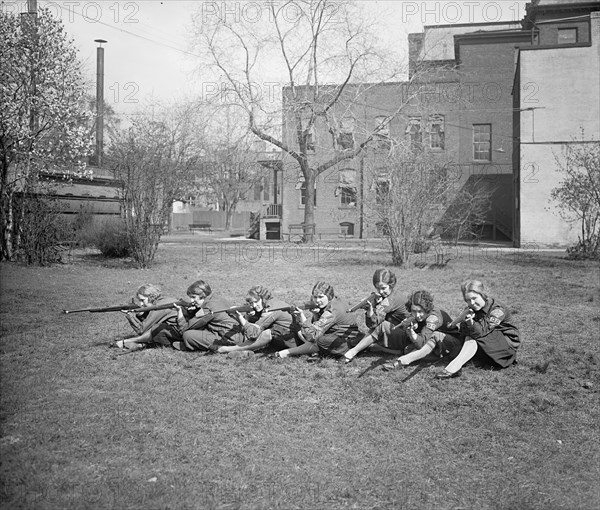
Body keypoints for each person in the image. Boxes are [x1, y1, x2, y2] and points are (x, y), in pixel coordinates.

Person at [117, 280, 242, 352]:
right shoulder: (216, 299)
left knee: (188, 335)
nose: (192, 300)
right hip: (236, 333)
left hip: (227, 337)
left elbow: (185, 329)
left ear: (203, 296)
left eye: (194, 297)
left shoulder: (207, 308)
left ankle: (213, 347)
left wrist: (180, 313)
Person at [435, 280, 521, 379]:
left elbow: (481, 332)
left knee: (473, 335)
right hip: (488, 343)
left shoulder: (497, 310)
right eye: (467, 300)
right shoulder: (473, 308)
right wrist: (464, 321)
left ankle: (455, 366)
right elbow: (463, 331)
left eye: (474, 298)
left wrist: (471, 323)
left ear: (483, 294)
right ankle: (458, 362)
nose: (472, 303)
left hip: (506, 347)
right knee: (465, 339)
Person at [273, 281, 361, 359]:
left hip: (346, 343)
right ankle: (289, 352)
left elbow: (311, 336)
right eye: (315, 297)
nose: (317, 300)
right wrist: (315, 314)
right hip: (344, 336)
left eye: (321, 297)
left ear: (329, 296)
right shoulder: (335, 300)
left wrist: (301, 316)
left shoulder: (331, 311)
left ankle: (288, 352)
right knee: (308, 334)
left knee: (321, 340)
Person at [380, 290, 461, 371]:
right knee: (408, 349)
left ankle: (401, 362)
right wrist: (411, 326)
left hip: (453, 344)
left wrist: (412, 333)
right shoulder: (416, 315)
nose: (417, 315)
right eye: (414, 311)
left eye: (420, 311)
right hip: (436, 345)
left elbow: (421, 343)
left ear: (426, 309)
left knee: (434, 335)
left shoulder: (432, 318)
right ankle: (438, 357)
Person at [340, 269, 410, 363]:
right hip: (396, 331)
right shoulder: (388, 297)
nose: (380, 291)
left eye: (383, 288)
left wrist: (371, 310)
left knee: (380, 326)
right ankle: (387, 349)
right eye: (377, 288)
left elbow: (374, 324)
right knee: (371, 337)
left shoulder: (391, 300)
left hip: (406, 335)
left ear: (391, 285)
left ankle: (352, 352)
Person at [216, 285, 299, 355]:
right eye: (251, 303)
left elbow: (254, 334)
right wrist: (247, 317)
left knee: (266, 333)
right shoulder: (268, 303)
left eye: (256, 302)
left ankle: (227, 349)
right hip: (283, 337)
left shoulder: (271, 309)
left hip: (292, 340)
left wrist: (241, 319)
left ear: (262, 298)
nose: (254, 306)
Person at [113, 284, 178, 350]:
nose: (141, 304)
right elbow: (150, 321)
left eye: (142, 300)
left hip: (179, 332)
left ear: (151, 297)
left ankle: (128, 341)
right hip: (179, 330)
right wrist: (140, 314)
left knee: (157, 329)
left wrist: (130, 314)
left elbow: (142, 330)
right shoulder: (163, 300)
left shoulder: (159, 306)